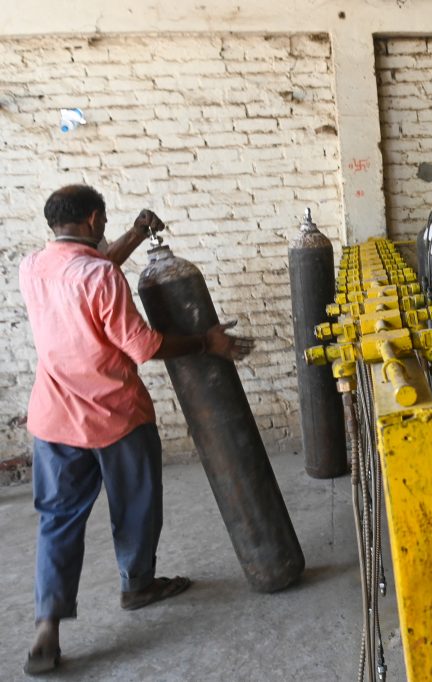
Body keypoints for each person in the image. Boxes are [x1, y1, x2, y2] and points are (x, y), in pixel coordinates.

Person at [19, 184, 255, 675]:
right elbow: (143, 346)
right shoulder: (101, 275)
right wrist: (206, 343)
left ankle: (47, 624)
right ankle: (138, 584)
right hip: (114, 416)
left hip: (53, 419)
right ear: (93, 218)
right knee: (136, 507)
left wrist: (137, 232)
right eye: (104, 223)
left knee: (58, 521)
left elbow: (93, 267)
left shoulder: (33, 266)